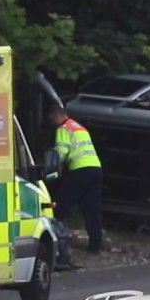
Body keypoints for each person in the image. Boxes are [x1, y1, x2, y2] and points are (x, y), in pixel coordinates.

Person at [47, 102, 103, 269]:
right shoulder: (79, 127)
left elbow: (60, 155)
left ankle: (59, 241)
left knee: (60, 204)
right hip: (96, 169)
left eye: (51, 117)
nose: (50, 121)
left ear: (57, 115)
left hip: (80, 170)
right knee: (92, 209)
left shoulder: (63, 129)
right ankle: (95, 245)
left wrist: (53, 173)